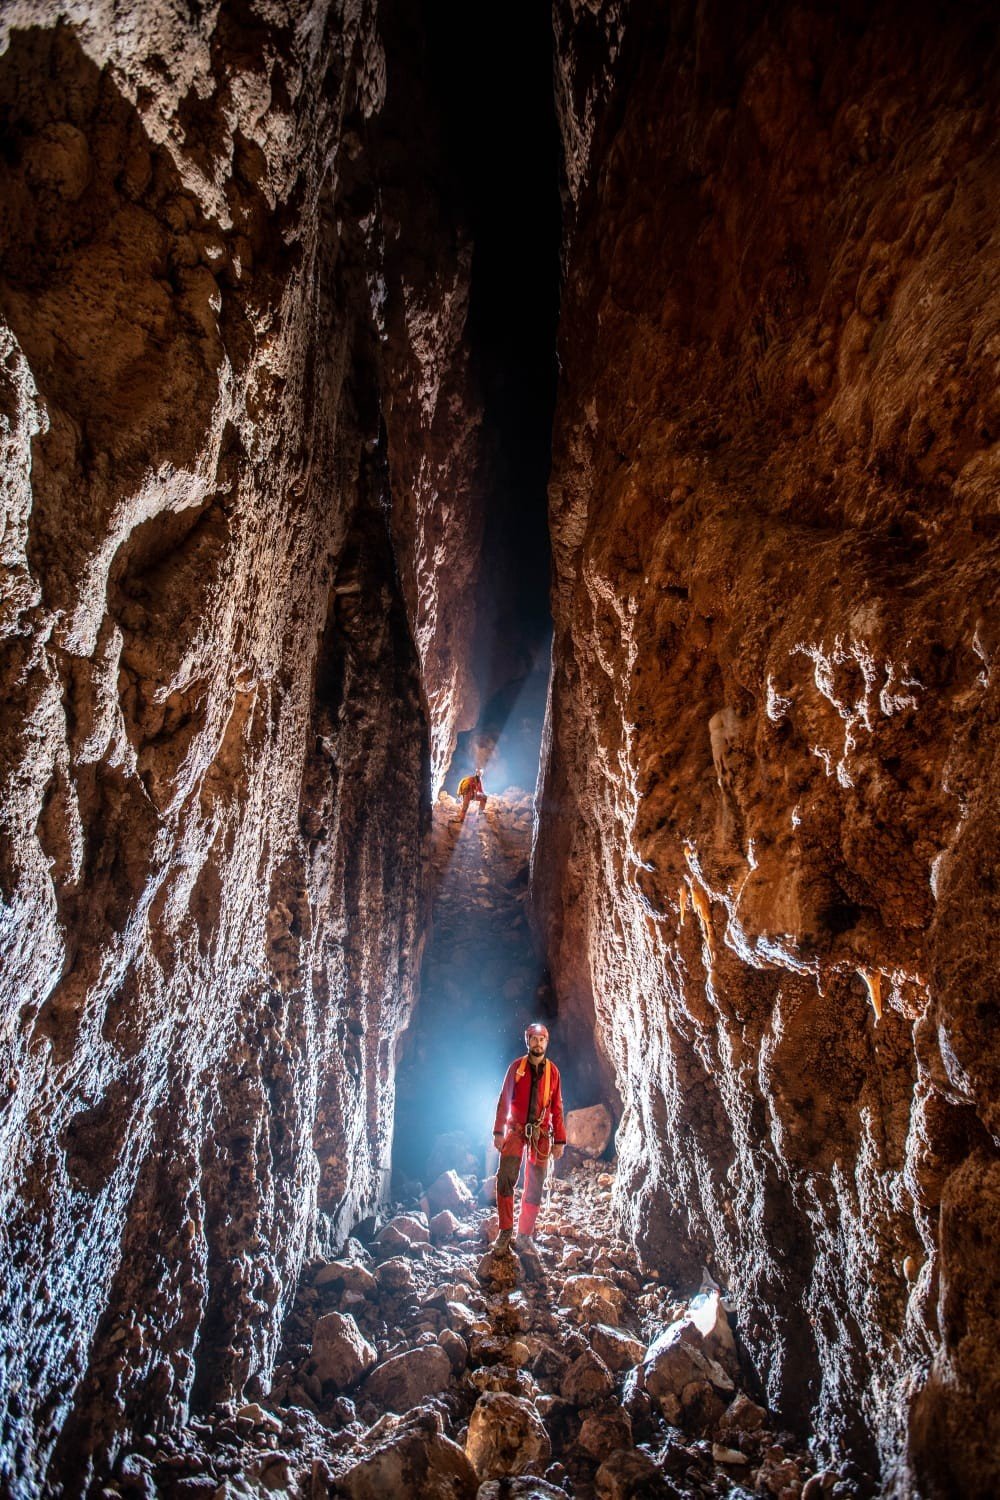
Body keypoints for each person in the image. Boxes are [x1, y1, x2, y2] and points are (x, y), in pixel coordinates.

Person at [491, 1022, 566, 1255]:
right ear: (527, 1041)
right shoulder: (516, 1068)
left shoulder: (553, 1072)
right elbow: (504, 1100)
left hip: (540, 1135)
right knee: (505, 1178)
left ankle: (524, 1234)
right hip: (516, 1130)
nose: (538, 1043)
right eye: (534, 1039)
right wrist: (498, 1132)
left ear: (547, 1042)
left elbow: (557, 1107)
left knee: (534, 1184)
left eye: (542, 1039)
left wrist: (560, 1140)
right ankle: (505, 1231)